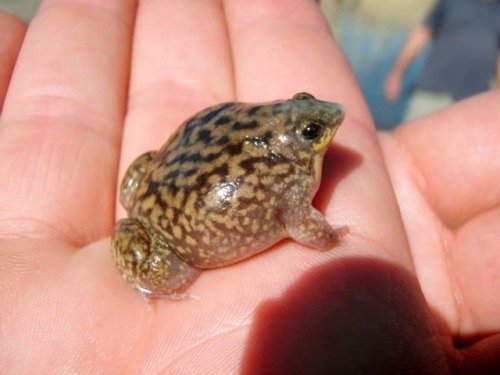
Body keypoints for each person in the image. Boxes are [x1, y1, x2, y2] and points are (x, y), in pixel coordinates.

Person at [0, 1, 499, 373]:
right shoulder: (293, 173)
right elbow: (305, 226)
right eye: (312, 130)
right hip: (165, 237)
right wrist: (333, 239)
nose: (330, 123)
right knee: (168, 271)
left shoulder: (281, 151)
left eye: (311, 120)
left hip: (153, 180)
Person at [385, 0, 500, 120]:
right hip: (432, 92)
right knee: (413, 135)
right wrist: (397, 72)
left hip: (473, 102)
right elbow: (422, 33)